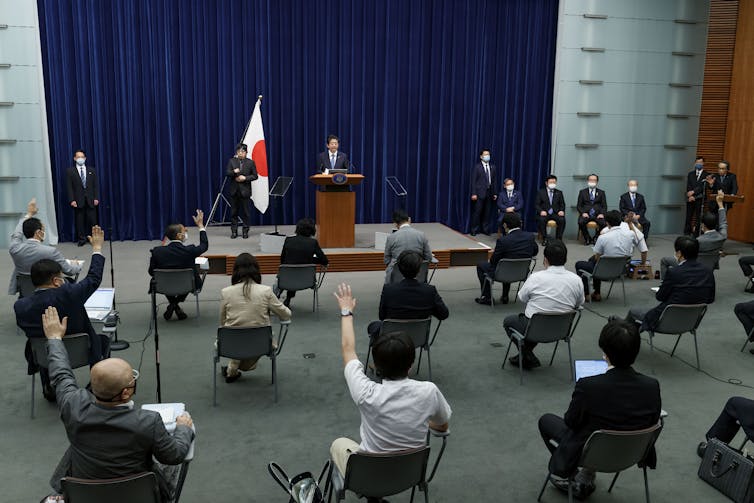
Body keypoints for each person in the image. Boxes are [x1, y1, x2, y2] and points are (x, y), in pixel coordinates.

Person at [41, 306, 194, 502]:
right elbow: (174, 455)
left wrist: (54, 338)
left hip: (85, 495)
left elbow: (60, 374)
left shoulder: (74, 406)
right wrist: (183, 428)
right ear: (125, 392)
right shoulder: (148, 421)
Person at [330, 283, 452, 495]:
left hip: (368, 475)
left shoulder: (365, 392)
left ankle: (372, 496)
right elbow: (441, 427)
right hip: (410, 475)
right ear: (411, 364)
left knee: (339, 444)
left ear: (376, 366)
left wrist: (346, 312)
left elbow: (348, 350)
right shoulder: (429, 391)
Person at [538, 320, 661, 499]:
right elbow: (653, 420)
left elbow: (571, 422)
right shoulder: (652, 386)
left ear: (605, 353)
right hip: (632, 453)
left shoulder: (588, 386)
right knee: (597, 429)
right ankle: (586, 476)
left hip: (592, 453)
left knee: (547, 421)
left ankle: (578, 479)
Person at [14, 226, 110, 402]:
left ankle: (49, 387)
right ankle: (96, 386)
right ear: (57, 281)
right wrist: (96, 248)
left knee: (41, 341)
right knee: (103, 341)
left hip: (44, 356)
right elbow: (93, 278)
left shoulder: (20, 307)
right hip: (82, 351)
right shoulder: (71, 294)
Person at [504, 240, 584, 369]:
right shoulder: (577, 279)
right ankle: (526, 354)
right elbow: (579, 304)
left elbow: (522, 297)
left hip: (534, 328)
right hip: (561, 329)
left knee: (509, 321)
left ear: (545, 259)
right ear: (565, 258)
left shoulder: (536, 277)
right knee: (534, 322)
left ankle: (526, 354)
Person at [220, 253, 291, 383]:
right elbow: (286, 315)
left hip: (231, 344)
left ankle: (232, 370)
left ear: (235, 271)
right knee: (248, 352)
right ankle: (233, 369)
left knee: (238, 337)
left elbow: (223, 322)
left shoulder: (226, 292)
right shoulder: (266, 291)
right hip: (262, 344)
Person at [626, 235, 715, 332]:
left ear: (679, 253)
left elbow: (660, 297)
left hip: (666, 320)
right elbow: (710, 299)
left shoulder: (674, 272)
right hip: (691, 322)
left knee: (633, 311)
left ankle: (622, 334)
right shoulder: (708, 271)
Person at [367, 251, 449, 342]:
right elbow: (444, 314)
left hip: (392, 339)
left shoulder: (388, 290)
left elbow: (382, 316)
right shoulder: (430, 291)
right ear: (419, 269)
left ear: (398, 268)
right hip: (418, 338)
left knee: (373, 326)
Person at [8, 198, 81, 296]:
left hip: (26, 293)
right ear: (38, 233)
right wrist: (77, 265)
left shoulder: (14, 248)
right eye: (43, 230)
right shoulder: (50, 252)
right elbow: (69, 271)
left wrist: (29, 214)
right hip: (47, 294)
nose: (44, 232)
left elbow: (17, 233)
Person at [148, 209, 208, 321]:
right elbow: (204, 245)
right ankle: (174, 304)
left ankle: (173, 304)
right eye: (185, 230)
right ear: (179, 236)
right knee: (188, 280)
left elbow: (151, 272)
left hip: (163, 285)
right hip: (188, 285)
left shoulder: (157, 251)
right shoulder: (190, 250)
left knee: (167, 280)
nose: (187, 231)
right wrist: (200, 226)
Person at [575, 210, 643, 302]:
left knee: (581, 264)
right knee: (592, 260)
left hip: (602, 271)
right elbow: (637, 239)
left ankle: (587, 294)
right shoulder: (630, 234)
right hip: (620, 271)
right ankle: (596, 293)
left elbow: (597, 258)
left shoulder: (603, 237)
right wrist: (630, 223)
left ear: (607, 223)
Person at [475, 213, 538, 305]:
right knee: (507, 263)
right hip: (522, 273)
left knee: (481, 265)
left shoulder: (503, 241)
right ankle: (505, 296)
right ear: (520, 223)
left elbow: (493, 261)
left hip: (502, 273)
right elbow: (535, 251)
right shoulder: (530, 237)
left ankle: (487, 297)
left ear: (505, 225)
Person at [660, 192, 726, 279]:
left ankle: (664, 284)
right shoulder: (722, 236)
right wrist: (720, 204)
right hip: (709, 268)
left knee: (664, 260)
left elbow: (685, 257)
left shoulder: (698, 241)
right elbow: (723, 223)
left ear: (703, 225)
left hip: (692, 266)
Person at [278, 218, 329, 307]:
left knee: (290, 271)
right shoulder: (313, 243)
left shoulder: (288, 240)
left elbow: (282, 260)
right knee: (298, 271)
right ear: (312, 230)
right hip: (307, 281)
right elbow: (324, 261)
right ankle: (287, 299)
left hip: (287, 279)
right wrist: (310, 260)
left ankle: (281, 298)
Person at [383, 209, 432, 282]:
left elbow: (386, 260)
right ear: (409, 219)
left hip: (396, 278)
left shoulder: (391, 238)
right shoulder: (421, 235)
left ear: (395, 223)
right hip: (418, 275)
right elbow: (429, 258)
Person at [65, 149, 99, 246]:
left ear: (85, 158)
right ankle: (82, 239)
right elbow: (69, 187)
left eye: (82, 157)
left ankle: (95, 239)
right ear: (75, 158)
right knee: (79, 221)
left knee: (93, 221)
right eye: (78, 157)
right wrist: (72, 200)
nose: (80, 159)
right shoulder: (70, 171)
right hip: (78, 200)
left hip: (91, 200)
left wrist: (96, 198)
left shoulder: (91, 170)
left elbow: (95, 186)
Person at [225, 143, 258, 239]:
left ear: (246, 152)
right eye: (239, 151)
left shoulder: (250, 162)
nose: (240, 153)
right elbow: (227, 173)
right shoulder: (232, 161)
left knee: (246, 213)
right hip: (234, 191)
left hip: (245, 191)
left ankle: (245, 231)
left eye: (242, 151)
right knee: (233, 212)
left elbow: (255, 176)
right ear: (236, 152)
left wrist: (245, 178)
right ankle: (234, 231)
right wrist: (233, 172)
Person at [469, 148, 498, 236]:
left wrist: (495, 193)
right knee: (477, 212)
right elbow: (473, 181)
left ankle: (486, 229)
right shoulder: (477, 167)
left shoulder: (493, 167)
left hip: (489, 193)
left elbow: (494, 181)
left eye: (488, 154)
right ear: (481, 157)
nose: (487, 156)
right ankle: (474, 229)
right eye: (485, 155)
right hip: (479, 193)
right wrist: (474, 193)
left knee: (487, 213)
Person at [576, 174, 607, 245]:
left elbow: (604, 206)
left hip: (598, 214)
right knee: (581, 222)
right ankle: (587, 238)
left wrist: (602, 213)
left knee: (604, 223)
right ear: (588, 181)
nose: (592, 181)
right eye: (590, 180)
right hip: (586, 214)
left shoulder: (601, 193)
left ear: (597, 182)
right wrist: (583, 213)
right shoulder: (582, 192)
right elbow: (579, 206)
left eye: (594, 180)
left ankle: (596, 237)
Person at [535, 175, 566, 244]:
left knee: (562, 220)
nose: (553, 184)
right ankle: (544, 238)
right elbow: (537, 204)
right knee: (541, 220)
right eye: (551, 182)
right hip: (545, 213)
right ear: (546, 183)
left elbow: (562, 204)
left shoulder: (559, 192)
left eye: (554, 182)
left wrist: (561, 210)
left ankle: (558, 239)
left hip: (555, 213)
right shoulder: (541, 192)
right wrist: (541, 211)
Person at [684, 156, 706, 235]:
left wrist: (693, 192)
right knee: (688, 217)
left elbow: (702, 187)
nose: (698, 164)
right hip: (690, 198)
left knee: (698, 217)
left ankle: (696, 233)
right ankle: (686, 233)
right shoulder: (691, 174)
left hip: (699, 199)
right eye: (697, 162)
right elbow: (688, 185)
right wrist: (690, 195)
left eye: (700, 162)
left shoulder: (706, 175)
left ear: (703, 163)